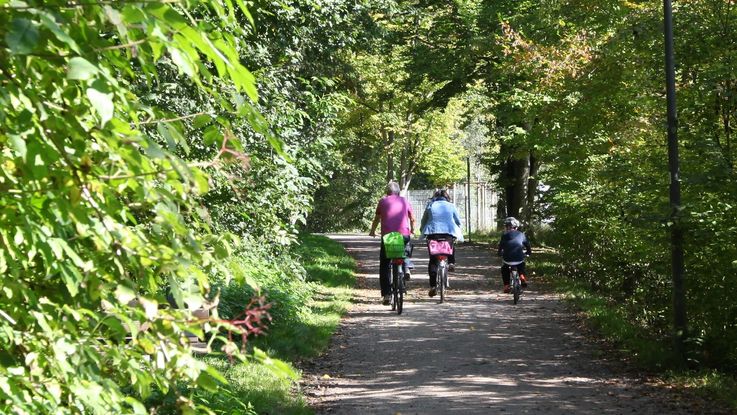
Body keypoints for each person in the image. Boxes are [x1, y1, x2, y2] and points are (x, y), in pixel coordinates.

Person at [369, 181, 416, 305]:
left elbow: (377, 218)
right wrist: (413, 230)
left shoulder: (383, 201)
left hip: (388, 237)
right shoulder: (404, 201)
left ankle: (386, 295)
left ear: (387, 192)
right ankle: (406, 267)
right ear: (398, 191)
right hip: (404, 235)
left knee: (384, 265)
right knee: (405, 248)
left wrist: (372, 231)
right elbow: (412, 218)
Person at [420, 189, 463, 297]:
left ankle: (433, 286)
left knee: (433, 260)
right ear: (447, 197)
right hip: (448, 233)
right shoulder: (451, 206)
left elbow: (424, 220)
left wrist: (422, 230)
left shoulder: (430, 205)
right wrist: (458, 226)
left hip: (432, 233)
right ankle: (452, 262)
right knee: (450, 245)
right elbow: (458, 221)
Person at [497, 217, 531, 293]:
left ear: (507, 227)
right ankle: (522, 276)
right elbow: (527, 245)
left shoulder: (504, 235)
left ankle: (506, 285)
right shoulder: (521, 234)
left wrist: (499, 253)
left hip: (507, 258)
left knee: (504, 269)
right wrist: (529, 252)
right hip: (519, 258)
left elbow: (501, 246)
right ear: (516, 227)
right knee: (521, 264)